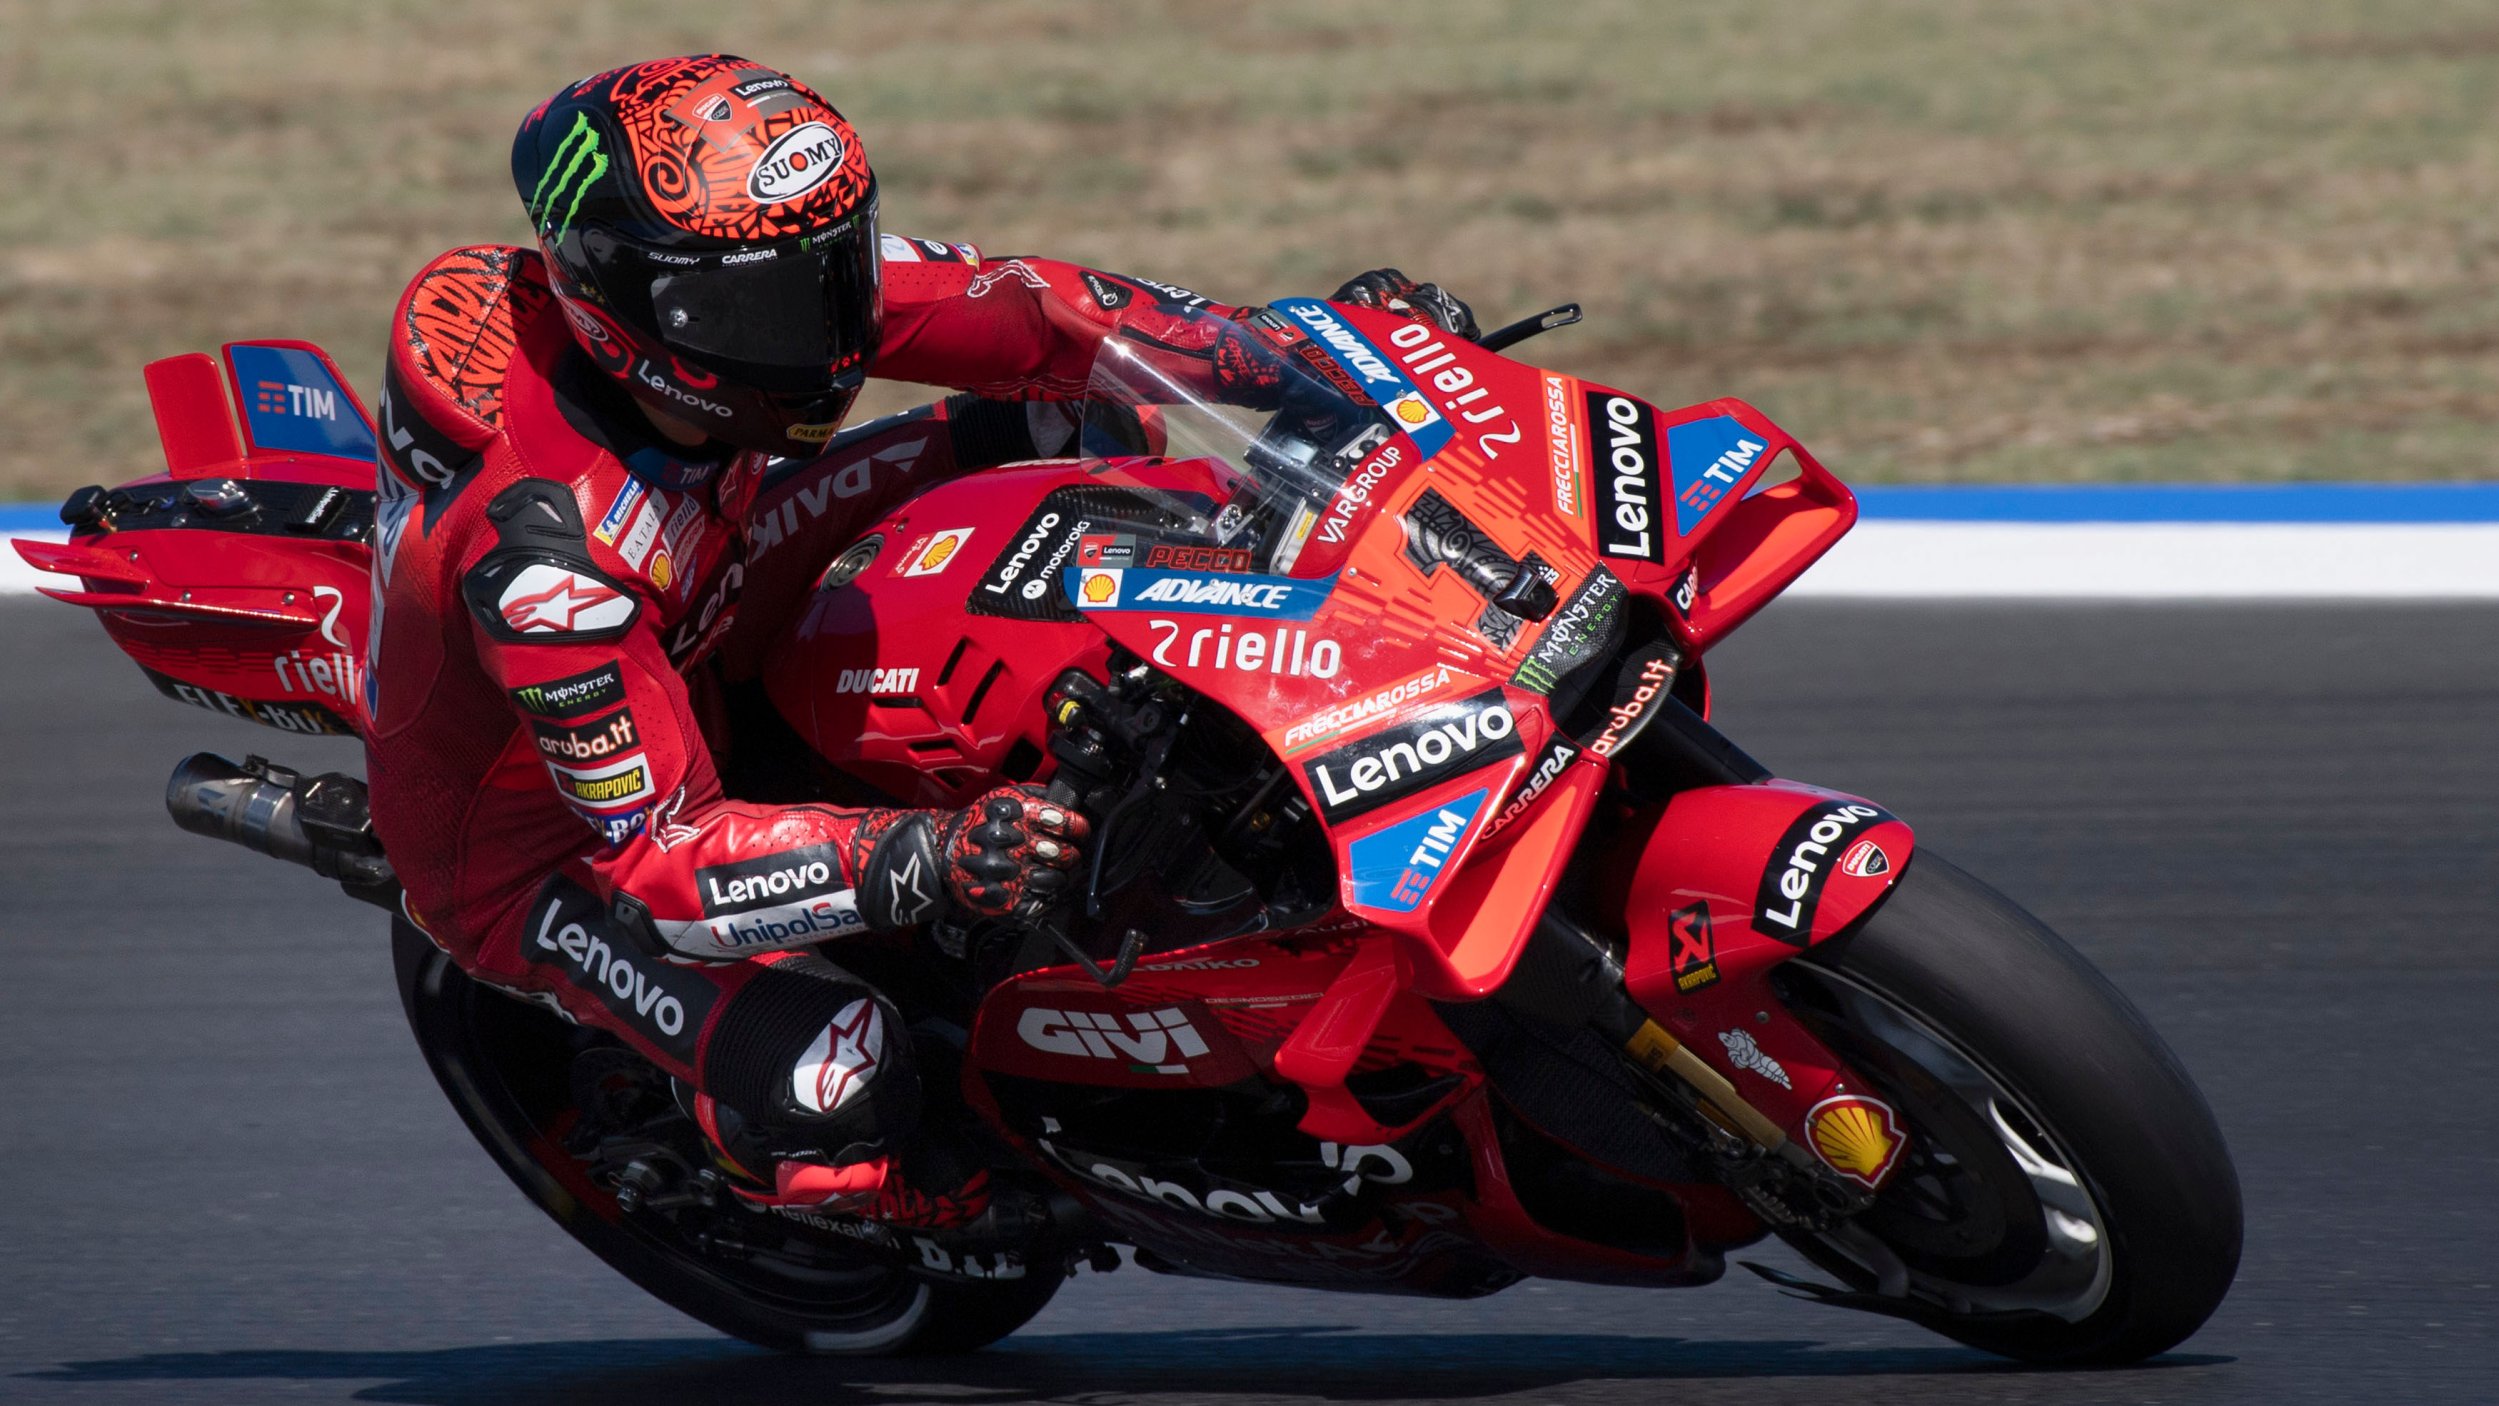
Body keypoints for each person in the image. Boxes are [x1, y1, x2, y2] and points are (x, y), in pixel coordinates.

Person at [362, 53, 1475, 1231]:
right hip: (554, 854)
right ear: (624, 305)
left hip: (705, 589)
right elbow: (660, 861)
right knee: (844, 1076)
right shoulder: (552, 573)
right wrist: (931, 854)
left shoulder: (757, 274)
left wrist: (1315, 357)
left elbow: (1041, 315)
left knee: (1075, 415)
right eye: (769, 307)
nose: (831, 332)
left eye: (835, 269)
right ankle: (806, 1179)